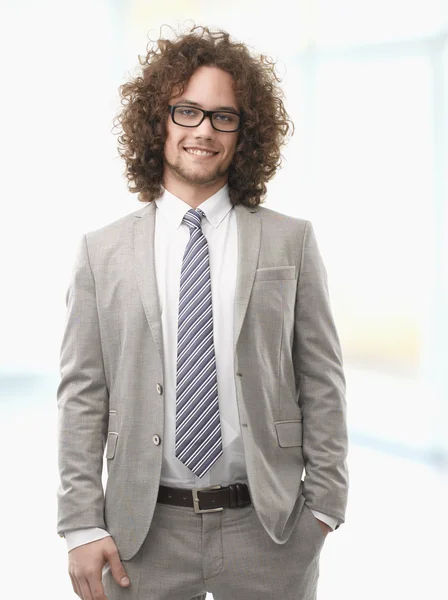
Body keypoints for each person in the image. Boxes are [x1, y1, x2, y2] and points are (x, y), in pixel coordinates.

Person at [56, 23, 349, 600]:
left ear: (245, 132)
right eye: (187, 111)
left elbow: (323, 380)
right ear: (158, 121)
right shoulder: (101, 251)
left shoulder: (290, 241)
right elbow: (83, 394)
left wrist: (326, 508)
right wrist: (81, 523)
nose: (204, 130)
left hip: (270, 529)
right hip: (141, 534)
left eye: (224, 116)